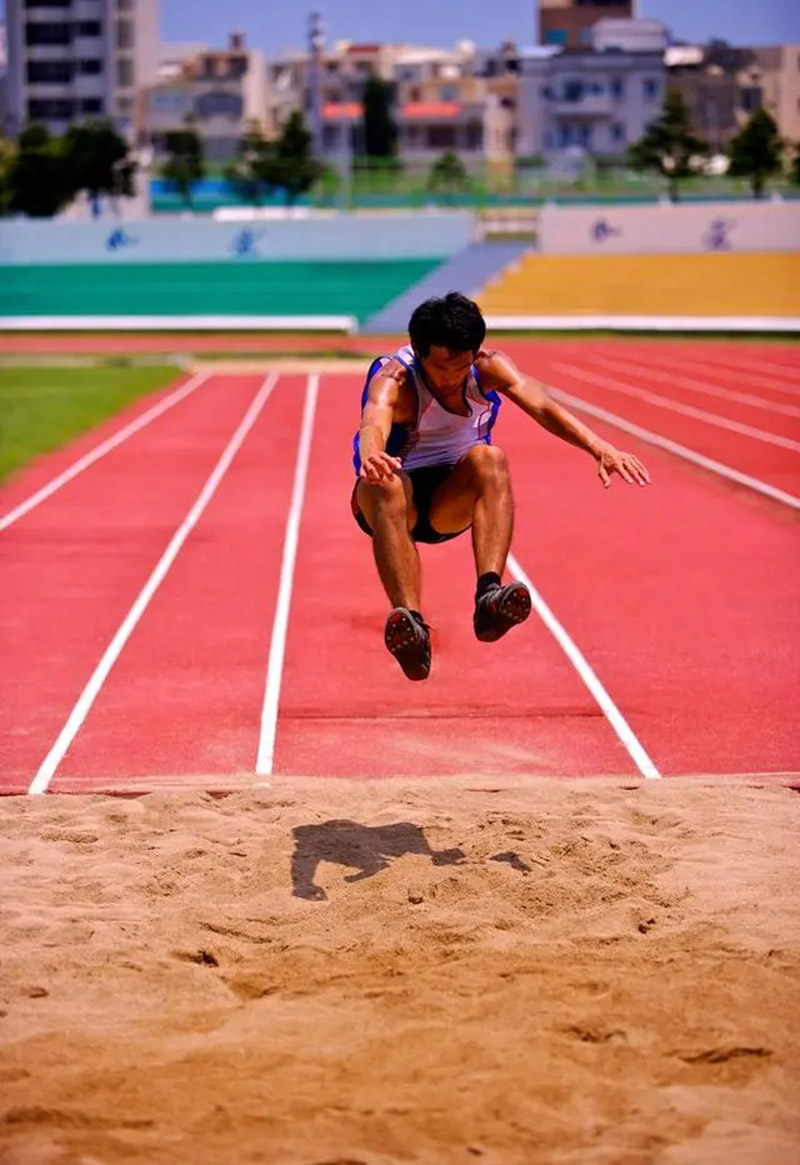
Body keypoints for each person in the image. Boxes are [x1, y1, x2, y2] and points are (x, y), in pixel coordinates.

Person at [351, 293, 650, 681]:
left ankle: (489, 599)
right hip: (390, 502)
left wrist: (598, 447)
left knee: (490, 459)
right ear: (418, 351)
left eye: (461, 366)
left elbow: (543, 406)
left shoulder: (487, 367)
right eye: (441, 368)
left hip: (448, 503)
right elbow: (373, 422)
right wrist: (372, 455)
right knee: (388, 484)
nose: (452, 377)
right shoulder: (395, 379)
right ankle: (413, 629)